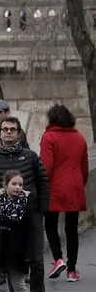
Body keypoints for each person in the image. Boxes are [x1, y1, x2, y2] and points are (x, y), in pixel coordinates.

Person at [0, 115, 50, 292]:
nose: (9, 132)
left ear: (19, 132)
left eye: (13, 129)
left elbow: (43, 181)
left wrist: (42, 208)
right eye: (5, 129)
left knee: (37, 260)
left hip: (31, 216)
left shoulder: (31, 157)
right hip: (5, 219)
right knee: (11, 260)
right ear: (0, 133)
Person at [40, 103, 89, 282]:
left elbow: (46, 166)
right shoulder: (80, 138)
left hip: (54, 188)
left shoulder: (49, 137)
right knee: (71, 229)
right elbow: (84, 167)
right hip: (75, 188)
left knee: (51, 225)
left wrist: (41, 187)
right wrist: (80, 184)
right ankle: (72, 270)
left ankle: (58, 259)